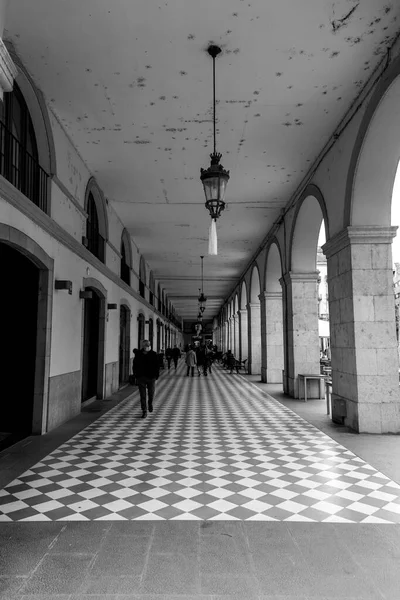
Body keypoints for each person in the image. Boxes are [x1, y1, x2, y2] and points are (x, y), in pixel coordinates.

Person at [132, 339, 160, 418]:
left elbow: (157, 365)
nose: (147, 347)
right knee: (142, 395)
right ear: (142, 346)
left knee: (151, 393)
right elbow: (135, 365)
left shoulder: (153, 354)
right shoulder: (138, 354)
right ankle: (144, 410)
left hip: (151, 377)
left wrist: (156, 375)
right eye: (145, 345)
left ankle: (150, 403)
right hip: (141, 377)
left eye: (148, 345)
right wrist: (136, 375)